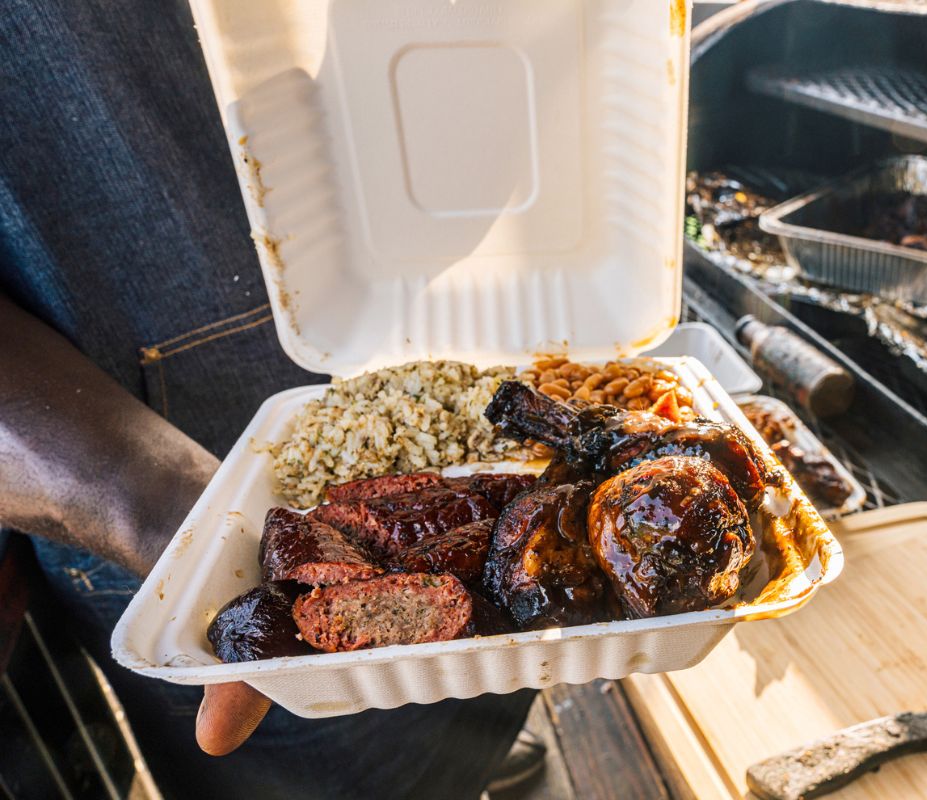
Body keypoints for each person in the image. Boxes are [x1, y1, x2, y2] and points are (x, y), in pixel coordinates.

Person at [0, 1, 537, 796]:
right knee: (310, 765)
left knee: (466, 726)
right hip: (135, 460)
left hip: (442, 346)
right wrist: (172, 519)